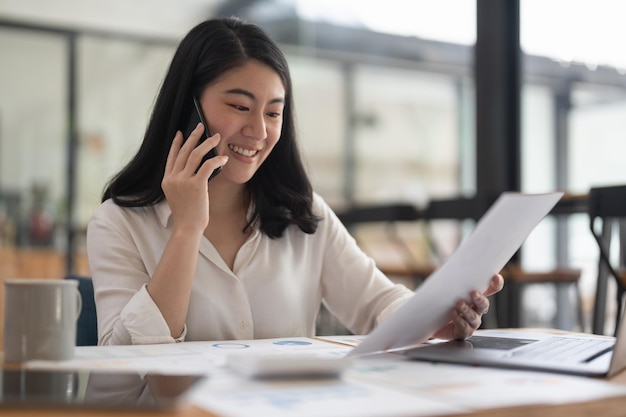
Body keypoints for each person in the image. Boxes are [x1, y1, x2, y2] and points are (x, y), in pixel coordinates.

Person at [86, 16, 504, 346]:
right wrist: (187, 230)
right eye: (239, 106)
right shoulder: (119, 224)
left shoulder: (303, 215)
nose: (259, 131)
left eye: (273, 112)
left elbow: (378, 302)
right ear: (188, 108)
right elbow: (127, 364)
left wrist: (435, 320)